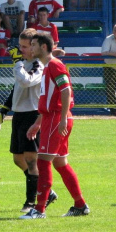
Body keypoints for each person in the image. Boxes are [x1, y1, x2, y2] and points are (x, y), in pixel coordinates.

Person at [20, 33, 89, 219]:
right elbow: (50, 97)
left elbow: (66, 90)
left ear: (43, 47)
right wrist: (37, 123)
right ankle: (80, 205)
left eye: (33, 44)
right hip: (52, 117)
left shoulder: (54, 65)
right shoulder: (48, 66)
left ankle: (40, 209)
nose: (31, 48)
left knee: (43, 162)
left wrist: (62, 119)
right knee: (60, 163)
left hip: (56, 118)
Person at [0, 28, 58, 213]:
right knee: (17, 159)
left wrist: (17, 64)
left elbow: (26, 81)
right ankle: (46, 191)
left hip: (33, 115)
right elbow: (16, 91)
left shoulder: (37, 65)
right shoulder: (23, 64)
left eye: (25, 46)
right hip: (19, 115)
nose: (21, 50)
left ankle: (31, 202)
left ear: (34, 47)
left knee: (30, 160)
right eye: (19, 46)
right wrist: (3, 113)